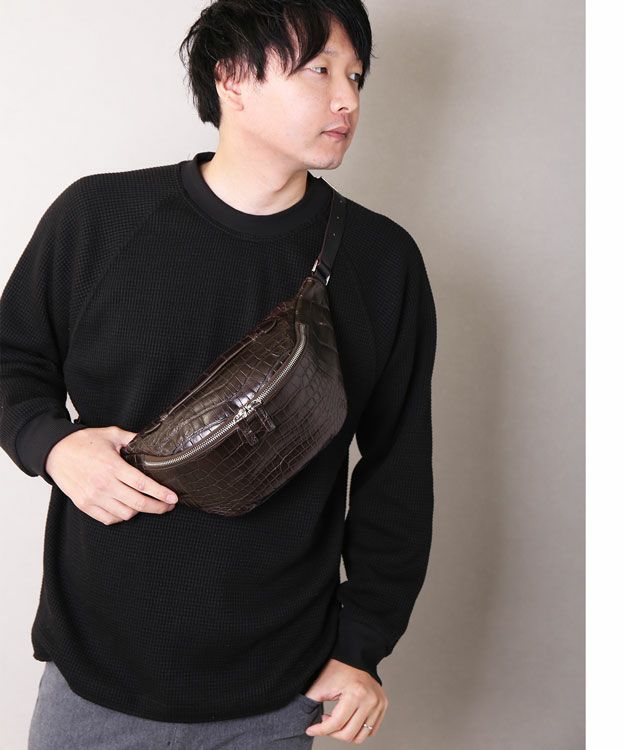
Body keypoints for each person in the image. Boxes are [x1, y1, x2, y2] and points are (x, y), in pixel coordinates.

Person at [0, 1, 437, 747]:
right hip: (95, 682)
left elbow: (397, 473)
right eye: (319, 70)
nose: (348, 99)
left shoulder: (382, 262)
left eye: (357, 76)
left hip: (281, 694)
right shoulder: (99, 217)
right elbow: (11, 359)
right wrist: (53, 445)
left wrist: (361, 646)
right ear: (232, 78)